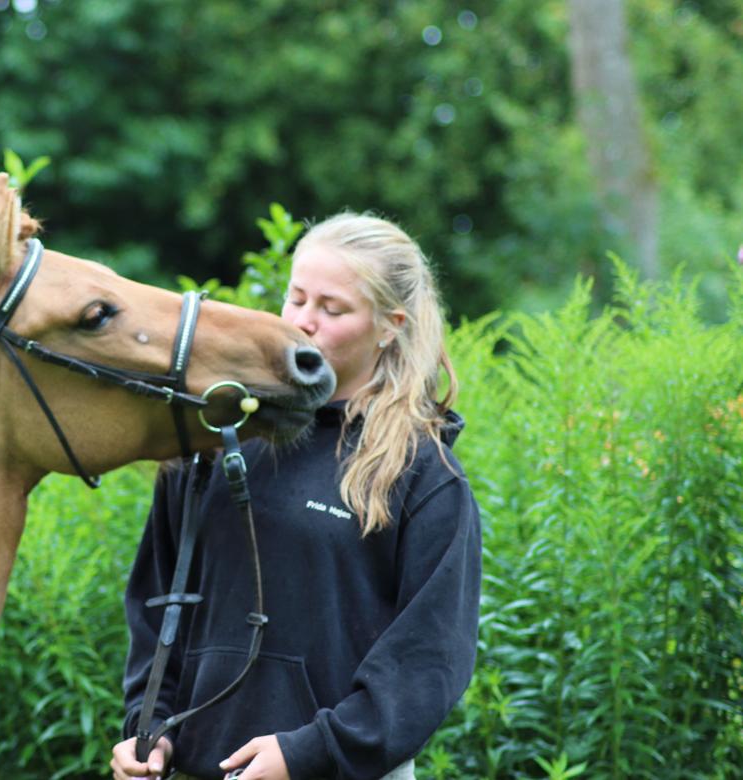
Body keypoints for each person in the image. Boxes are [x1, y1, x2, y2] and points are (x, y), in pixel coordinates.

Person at [110, 212, 482, 780]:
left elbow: (427, 662)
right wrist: (149, 728)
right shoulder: (213, 441)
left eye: (332, 309)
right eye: (296, 298)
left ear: (389, 326)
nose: (303, 321)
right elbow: (156, 602)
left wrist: (310, 752)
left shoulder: (422, 476)